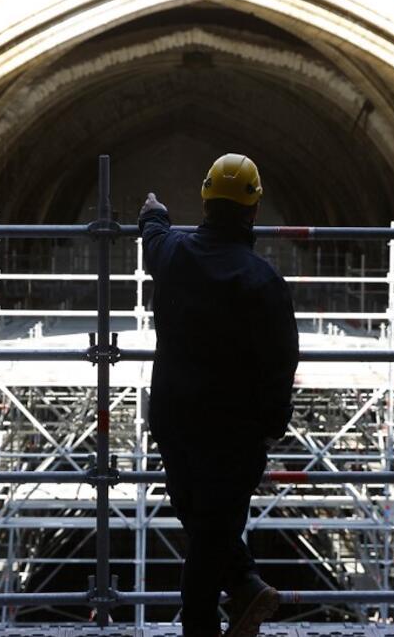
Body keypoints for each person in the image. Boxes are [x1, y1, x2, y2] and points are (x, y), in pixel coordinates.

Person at [138, 153, 299, 637]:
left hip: (175, 419)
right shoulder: (263, 281)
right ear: (253, 211)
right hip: (234, 433)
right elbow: (280, 366)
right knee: (213, 529)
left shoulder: (172, 254)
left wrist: (153, 211)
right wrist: (271, 428)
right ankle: (241, 590)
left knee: (204, 527)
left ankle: (239, 593)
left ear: (205, 201)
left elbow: (153, 236)